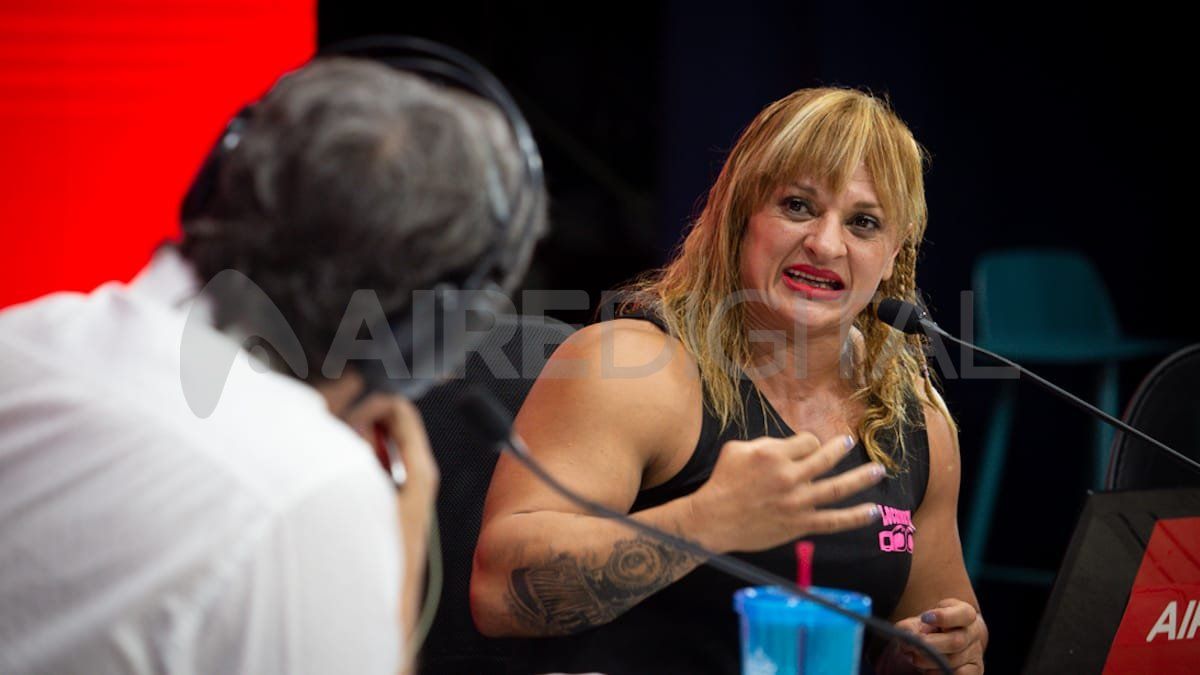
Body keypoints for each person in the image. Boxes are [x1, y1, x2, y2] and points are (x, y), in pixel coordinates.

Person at [0, 56, 544, 674]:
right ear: (427, 331)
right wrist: (407, 537)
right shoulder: (307, 491)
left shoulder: (28, 335)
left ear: (216, 183)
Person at [471, 87, 986, 674]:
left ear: (894, 253)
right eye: (797, 206)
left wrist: (927, 653)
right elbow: (498, 594)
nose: (825, 244)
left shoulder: (915, 419)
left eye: (863, 223)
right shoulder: (633, 369)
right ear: (742, 218)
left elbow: (935, 627)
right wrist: (703, 522)